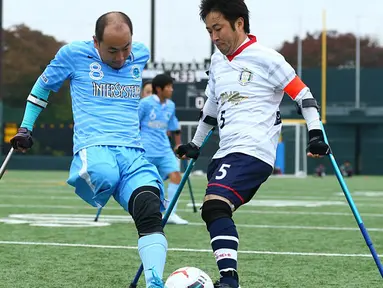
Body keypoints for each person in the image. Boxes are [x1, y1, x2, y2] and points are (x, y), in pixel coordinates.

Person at [175, 1, 330, 287]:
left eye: (218, 28)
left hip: (253, 150)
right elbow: (211, 107)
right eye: (209, 30)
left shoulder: (267, 58)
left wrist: (316, 133)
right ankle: (229, 278)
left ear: (239, 23)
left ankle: (229, 280)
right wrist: (195, 144)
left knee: (214, 206)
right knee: (215, 210)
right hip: (226, 152)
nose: (214, 37)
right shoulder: (217, 61)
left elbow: (303, 94)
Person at [10, 11, 167, 288]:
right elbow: (43, 87)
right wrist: (25, 127)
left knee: (149, 208)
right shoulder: (73, 54)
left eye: (126, 48)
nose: (121, 58)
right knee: (103, 173)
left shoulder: (141, 54)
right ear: (96, 42)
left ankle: (155, 283)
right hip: (94, 147)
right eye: (112, 50)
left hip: (133, 152)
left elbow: (129, 54)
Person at [139, 73, 188, 225]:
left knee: (176, 176)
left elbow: (174, 126)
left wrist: (178, 145)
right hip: (146, 148)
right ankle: (145, 212)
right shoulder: (145, 104)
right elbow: (134, 124)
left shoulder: (171, 105)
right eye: (168, 87)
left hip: (164, 149)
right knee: (148, 182)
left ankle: (171, 214)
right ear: (159, 89)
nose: (171, 90)